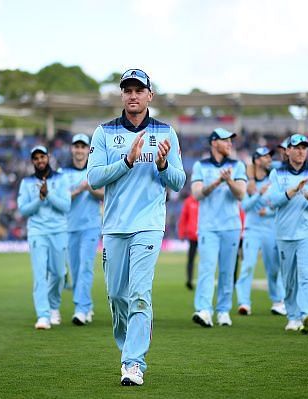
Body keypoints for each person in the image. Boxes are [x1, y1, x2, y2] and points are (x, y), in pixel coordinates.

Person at [87, 68, 185, 386]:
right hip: (115, 226)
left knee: (139, 293)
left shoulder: (166, 132)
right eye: (127, 90)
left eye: (138, 90)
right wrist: (126, 162)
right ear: (122, 95)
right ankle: (127, 346)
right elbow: (93, 179)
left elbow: (179, 181)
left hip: (149, 225)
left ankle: (133, 362)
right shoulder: (104, 132)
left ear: (149, 95)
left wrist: (162, 165)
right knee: (117, 296)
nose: (133, 95)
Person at [267, 134, 308, 334]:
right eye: (296, 147)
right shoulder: (276, 173)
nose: (301, 151)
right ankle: (292, 316)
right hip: (284, 234)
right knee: (289, 279)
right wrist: (292, 191)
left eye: (304, 147)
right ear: (288, 150)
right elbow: (273, 200)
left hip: (307, 233)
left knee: (307, 276)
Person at [191, 128, 247, 328]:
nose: (230, 144)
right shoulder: (201, 166)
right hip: (207, 227)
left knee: (227, 270)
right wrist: (217, 182)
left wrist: (229, 180)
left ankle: (223, 311)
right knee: (206, 268)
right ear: (214, 142)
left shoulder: (237, 165)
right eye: (226, 140)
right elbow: (197, 194)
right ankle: (204, 310)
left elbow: (241, 194)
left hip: (231, 226)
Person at [17, 145, 71, 330]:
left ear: (48, 157)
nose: (40, 161)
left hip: (58, 231)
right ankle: (43, 315)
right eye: (36, 158)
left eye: (42, 157)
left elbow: (65, 206)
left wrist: (49, 194)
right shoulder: (26, 183)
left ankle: (54, 307)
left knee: (58, 274)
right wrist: (39, 199)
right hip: (37, 232)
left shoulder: (61, 178)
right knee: (40, 275)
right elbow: (23, 210)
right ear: (32, 161)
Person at [59, 133, 104, 325]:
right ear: (72, 149)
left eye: (82, 146)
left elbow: (103, 194)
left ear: (88, 150)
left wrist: (90, 188)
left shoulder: (94, 171)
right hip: (70, 227)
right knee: (75, 270)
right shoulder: (62, 173)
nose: (79, 150)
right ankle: (86, 304)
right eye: (76, 146)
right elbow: (60, 200)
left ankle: (81, 309)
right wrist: (78, 190)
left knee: (86, 267)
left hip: (91, 226)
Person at [235, 147, 286, 316]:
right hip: (252, 229)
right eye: (265, 157)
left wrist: (269, 212)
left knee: (273, 267)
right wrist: (258, 194)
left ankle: (278, 301)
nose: (269, 159)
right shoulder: (247, 181)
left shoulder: (274, 178)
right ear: (257, 160)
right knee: (247, 265)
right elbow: (245, 206)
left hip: (270, 229)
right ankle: (244, 303)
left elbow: (279, 204)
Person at [177, 192, 199, 290]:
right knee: (191, 259)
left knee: (206, 260)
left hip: (204, 234)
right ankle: (189, 280)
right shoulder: (189, 201)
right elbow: (183, 218)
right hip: (192, 235)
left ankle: (204, 280)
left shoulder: (204, 199)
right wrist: (182, 233)